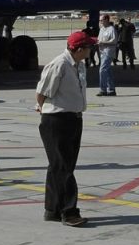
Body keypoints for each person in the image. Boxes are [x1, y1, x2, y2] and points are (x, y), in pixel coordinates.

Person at [35, 30, 93, 227]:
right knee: (63, 168)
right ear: (78, 49)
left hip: (73, 118)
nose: (90, 49)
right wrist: (43, 110)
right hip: (56, 120)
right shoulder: (59, 64)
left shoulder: (79, 65)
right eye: (88, 47)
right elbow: (42, 92)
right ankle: (69, 211)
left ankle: (52, 209)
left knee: (59, 166)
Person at [95, 14, 119, 96]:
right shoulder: (102, 29)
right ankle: (112, 90)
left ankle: (103, 90)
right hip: (102, 52)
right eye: (100, 20)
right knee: (108, 71)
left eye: (101, 20)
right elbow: (99, 39)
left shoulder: (111, 29)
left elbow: (114, 41)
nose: (100, 22)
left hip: (109, 52)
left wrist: (103, 43)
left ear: (107, 20)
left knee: (102, 70)